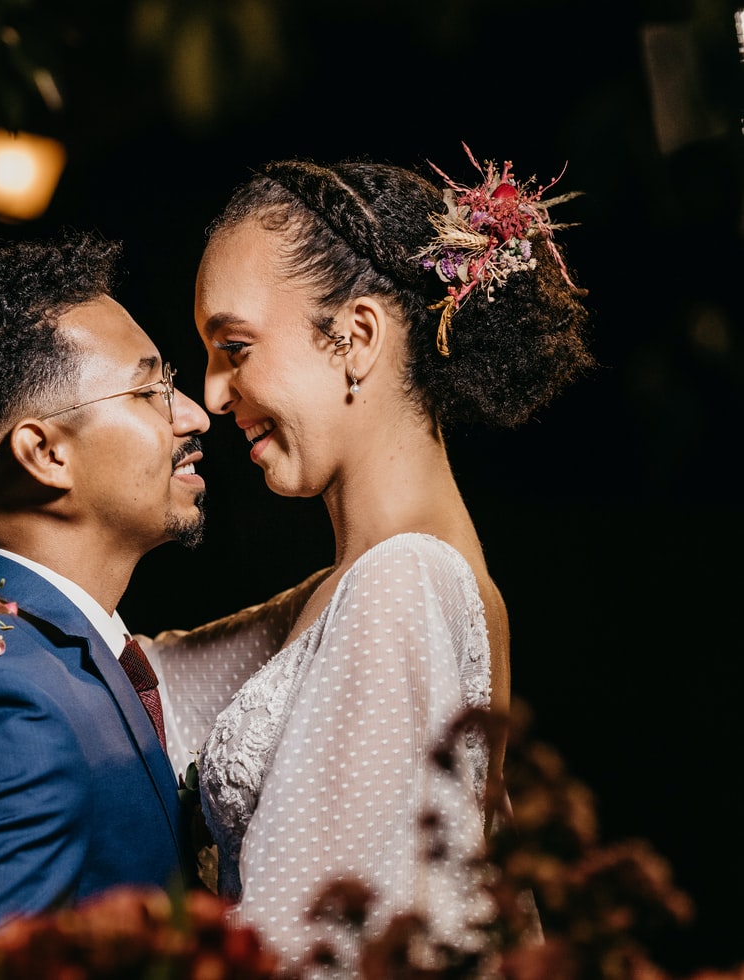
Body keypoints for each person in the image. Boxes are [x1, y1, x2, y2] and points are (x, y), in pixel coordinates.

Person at [141, 150, 592, 970]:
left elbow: (315, 945)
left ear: (354, 338)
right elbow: (151, 679)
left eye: (234, 347)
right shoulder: (363, 584)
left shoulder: (403, 581)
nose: (210, 395)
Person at [0, 230, 211, 943]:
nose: (193, 414)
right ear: (45, 453)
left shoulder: (66, 656)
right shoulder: (3, 697)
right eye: (153, 389)